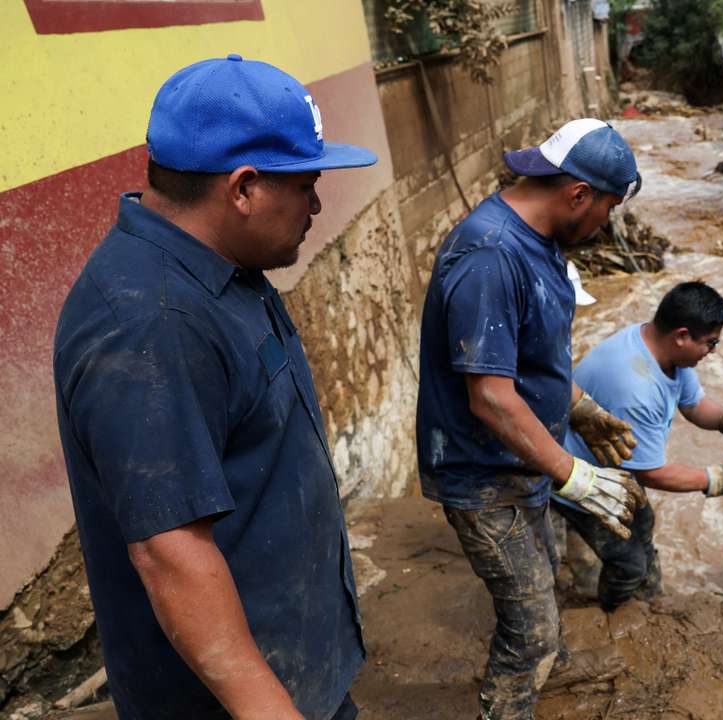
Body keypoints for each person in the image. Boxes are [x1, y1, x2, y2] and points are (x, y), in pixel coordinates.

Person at [53, 55, 377, 719]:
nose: (317, 204)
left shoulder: (223, 267)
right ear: (244, 189)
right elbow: (169, 551)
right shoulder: (150, 324)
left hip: (294, 662)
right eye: (307, 183)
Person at [416, 118, 647, 720]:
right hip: (484, 476)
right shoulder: (491, 255)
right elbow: (490, 395)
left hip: (523, 463)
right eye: (605, 210)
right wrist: (577, 475)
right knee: (530, 629)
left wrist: (581, 409)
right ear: (577, 195)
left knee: (543, 576)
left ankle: (556, 666)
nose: (605, 225)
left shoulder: (539, 243)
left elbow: (530, 359)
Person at [554, 281, 723, 610]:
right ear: (682, 335)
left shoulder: (661, 349)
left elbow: (694, 404)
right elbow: (651, 473)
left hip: (613, 469)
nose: (712, 352)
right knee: (628, 566)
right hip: (580, 478)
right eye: (709, 344)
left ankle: (646, 592)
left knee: (644, 523)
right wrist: (715, 480)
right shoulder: (636, 388)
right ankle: (611, 613)